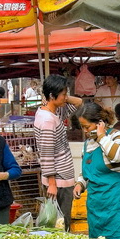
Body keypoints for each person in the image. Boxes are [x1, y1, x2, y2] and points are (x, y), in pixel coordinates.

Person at [75, 102, 120, 239]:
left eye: (87, 127)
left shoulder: (118, 136)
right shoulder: (88, 144)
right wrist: (80, 184)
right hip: (98, 210)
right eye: (82, 127)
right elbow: (86, 172)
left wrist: (102, 136)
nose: (85, 131)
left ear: (100, 123)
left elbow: (116, 156)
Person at [34, 75, 83, 230]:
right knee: (60, 224)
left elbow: (79, 102)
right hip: (59, 181)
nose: (65, 97)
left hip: (62, 178)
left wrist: (63, 97)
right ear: (51, 96)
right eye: (63, 94)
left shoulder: (54, 112)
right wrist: (52, 184)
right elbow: (46, 153)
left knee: (58, 222)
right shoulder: (48, 120)